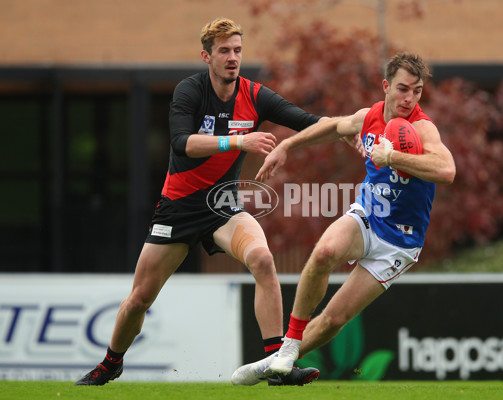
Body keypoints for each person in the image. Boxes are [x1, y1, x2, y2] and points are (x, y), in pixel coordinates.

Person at [75, 17, 323, 386]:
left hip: (223, 208)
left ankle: (275, 364)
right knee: (139, 299)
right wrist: (239, 141)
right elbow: (182, 144)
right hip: (178, 208)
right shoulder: (190, 91)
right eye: (224, 51)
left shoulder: (254, 96)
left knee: (263, 259)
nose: (232, 57)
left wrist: (356, 129)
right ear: (206, 55)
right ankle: (111, 363)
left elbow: (308, 121)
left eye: (237, 50)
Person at [231, 52, 456, 385]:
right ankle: (288, 347)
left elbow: (447, 170)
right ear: (386, 86)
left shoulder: (423, 129)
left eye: (417, 91)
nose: (410, 99)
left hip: (400, 243)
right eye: (403, 89)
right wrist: (287, 146)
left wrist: (392, 156)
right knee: (324, 253)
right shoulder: (370, 117)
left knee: (334, 320)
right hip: (369, 215)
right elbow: (334, 126)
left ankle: (272, 364)